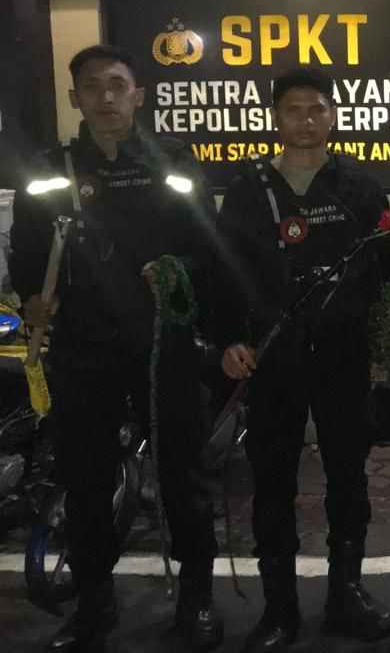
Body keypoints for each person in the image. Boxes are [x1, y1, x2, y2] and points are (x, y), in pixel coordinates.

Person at [8, 44, 222, 653]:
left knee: (182, 475)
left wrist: (178, 270)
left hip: (162, 343)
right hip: (84, 348)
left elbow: (209, 246)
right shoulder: (50, 168)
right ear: (74, 97)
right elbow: (27, 250)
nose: (106, 98)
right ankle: (94, 604)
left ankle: (197, 597)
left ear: (139, 94)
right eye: (92, 87)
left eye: (118, 85)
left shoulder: (174, 162)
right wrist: (32, 296)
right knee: (85, 480)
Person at [216, 67, 390, 653]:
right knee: (272, 481)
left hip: (341, 355)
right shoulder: (248, 189)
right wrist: (230, 338)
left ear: (333, 115)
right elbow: (224, 273)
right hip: (272, 359)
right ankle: (278, 609)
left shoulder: (358, 187)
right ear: (275, 117)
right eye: (293, 109)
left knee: (348, 476)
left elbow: (383, 272)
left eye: (316, 109)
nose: (306, 121)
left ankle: (346, 595)